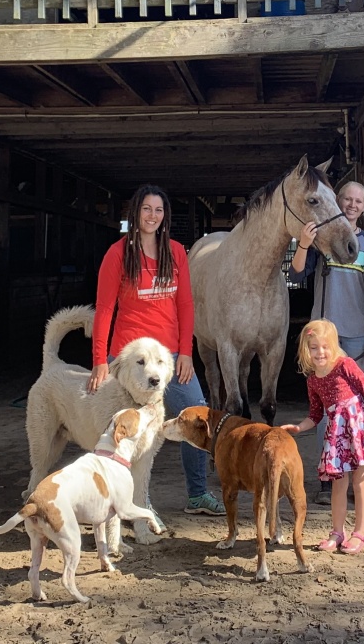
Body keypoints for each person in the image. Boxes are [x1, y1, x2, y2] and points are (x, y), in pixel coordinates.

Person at [87, 184, 225, 518]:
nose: (152, 216)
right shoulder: (117, 254)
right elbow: (104, 309)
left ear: (165, 216)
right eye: (146, 209)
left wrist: (186, 353)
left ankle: (197, 494)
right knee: (125, 430)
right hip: (130, 358)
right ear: (135, 213)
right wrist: (100, 361)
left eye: (158, 210)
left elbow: (186, 305)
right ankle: (129, 500)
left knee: (198, 416)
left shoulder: (176, 252)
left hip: (169, 359)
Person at [288, 180, 364, 506]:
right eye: (347, 199)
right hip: (323, 340)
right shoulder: (321, 241)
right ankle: (329, 478)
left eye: (359, 200)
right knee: (326, 412)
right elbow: (297, 275)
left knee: (354, 411)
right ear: (338, 202)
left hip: (355, 335)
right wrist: (303, 243)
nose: (352, 205)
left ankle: (356, 477)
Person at [281, 318, 364, 556]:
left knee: (360, 481)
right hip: (336, 434)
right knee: (337, 485)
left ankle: (360, 531)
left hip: (358, 427)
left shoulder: (345, 365)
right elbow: (315, 414)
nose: (320, 352)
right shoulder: (313, 380)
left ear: (333, 346)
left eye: (325, 346)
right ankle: (337, 532)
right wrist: (299, 427)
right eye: (314, 348)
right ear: (306, 350)